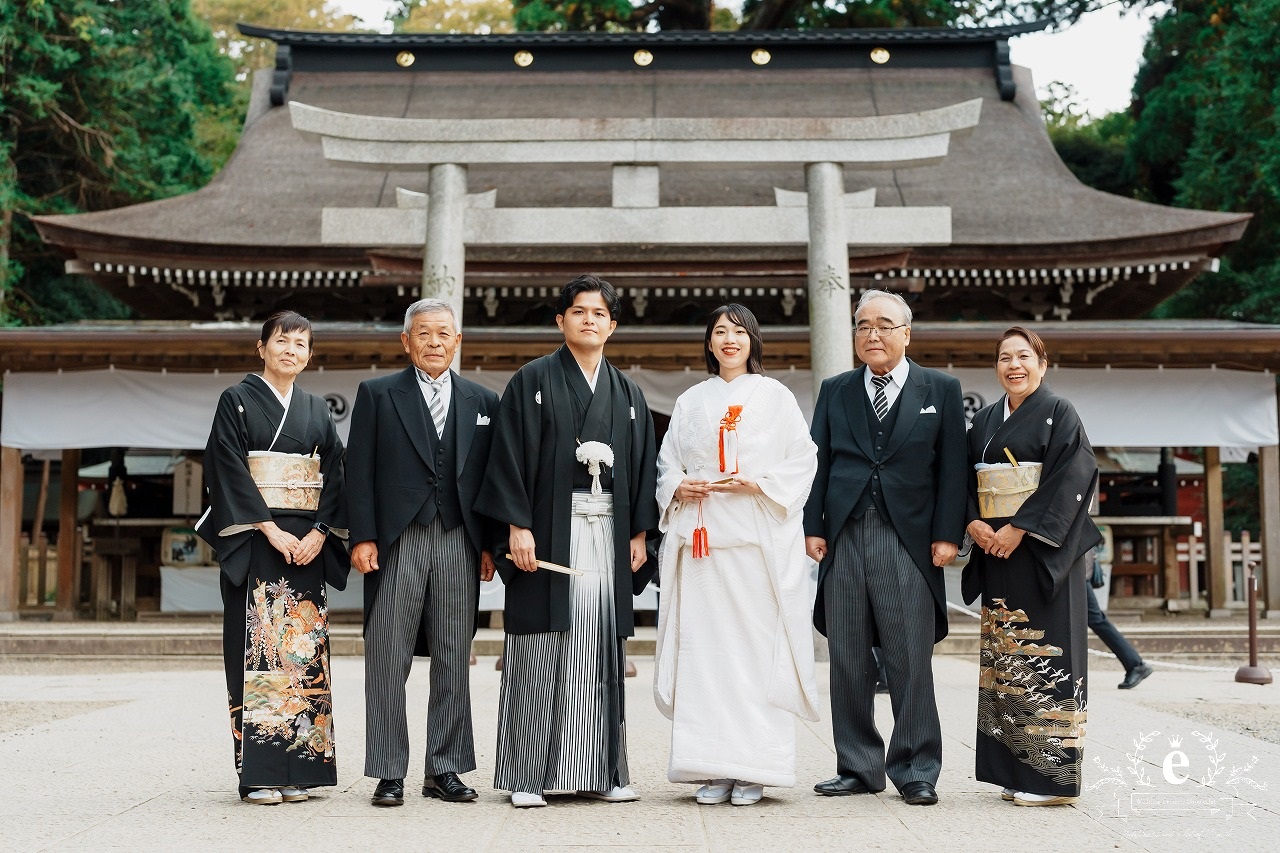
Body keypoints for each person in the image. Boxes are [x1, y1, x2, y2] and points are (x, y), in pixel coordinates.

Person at [481, 274, 659, 808]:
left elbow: (644, 466)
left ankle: (603, 770)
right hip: (546, 535)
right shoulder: (530, 381)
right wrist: (516, 526)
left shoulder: (627, 392)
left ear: (613, 325)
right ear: (560, 321)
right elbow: (506, 458)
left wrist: (638, 532)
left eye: (600, 313)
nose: (589, 320)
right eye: (578, 312)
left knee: (600, 644)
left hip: (608, 532)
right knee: (539, 645)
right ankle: (527, 776)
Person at [804, 289, 967, 807]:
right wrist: (814, 526)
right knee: (847, 656)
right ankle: (857, 765)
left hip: (911, 538)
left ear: (906, 333)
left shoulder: (939, 388)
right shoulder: (836, 390)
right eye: (862, 325)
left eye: (884, 325)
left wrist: (947, 534)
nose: (872, 334)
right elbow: (819, 462)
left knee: (908, 657)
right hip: (846, 533)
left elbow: (953, 471)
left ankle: (917, 767)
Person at [653, 304, 819, 807]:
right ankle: (710, 767)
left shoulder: (777, 397)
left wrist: (761, 484)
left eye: (739, 331)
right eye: (720, 332)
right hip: (704, 547)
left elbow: (803, 458)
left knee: (753, 655)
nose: (730, 339)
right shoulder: (690, 400)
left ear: (753, 341)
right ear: (708, 343)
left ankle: (755, 768)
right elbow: (667, 463)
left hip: (755, 545)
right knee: (705, 656)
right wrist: (681, 485)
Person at [344, 298, 500, 808]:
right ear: (406, 341)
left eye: (444, 334)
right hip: (397, 540)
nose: (435, 342)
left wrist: (489, 545)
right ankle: (389, 771)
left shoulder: (482, 401)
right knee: (388, 657)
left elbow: (488, 481)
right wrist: (363, 536)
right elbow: (358, 470)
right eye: (424, 334)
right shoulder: (378, 394)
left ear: (458, 341)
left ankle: (445, 768)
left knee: (454, 656)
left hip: (459, 538)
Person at [197, 311, 350, 805]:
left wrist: (321, 533)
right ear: (261, 347)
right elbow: (225, 464)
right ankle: (260, 773)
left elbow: (337, 473)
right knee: (258, 650)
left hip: (305, 543)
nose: (292, 350)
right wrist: (267, 526)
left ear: (309, 355)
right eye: (282, 341)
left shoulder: (316, 411)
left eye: (302, 344)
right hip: (258, 538)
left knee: (302, 654)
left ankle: (299, 770)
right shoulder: (237, 401)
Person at [962, 326, 1101, 807]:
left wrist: (1019, 528)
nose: (1013, 366)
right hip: (996, 552)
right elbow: (963, 481)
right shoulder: (982, 423)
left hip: (1043, 554)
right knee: (1006, 659)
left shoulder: (1059, 412)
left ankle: (1051, 780)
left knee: (1048, 657)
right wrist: (974, 522)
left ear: (1043, 365)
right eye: (1004, 358)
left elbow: (1074, 474)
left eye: (1024, 356)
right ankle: (1013, 768)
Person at [1086, 556, 1153, 689]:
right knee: (1095, 620)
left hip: (1076, 573)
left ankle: (1135, 664)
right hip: (1076, 571)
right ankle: (1134, 664)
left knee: (1096, 619)